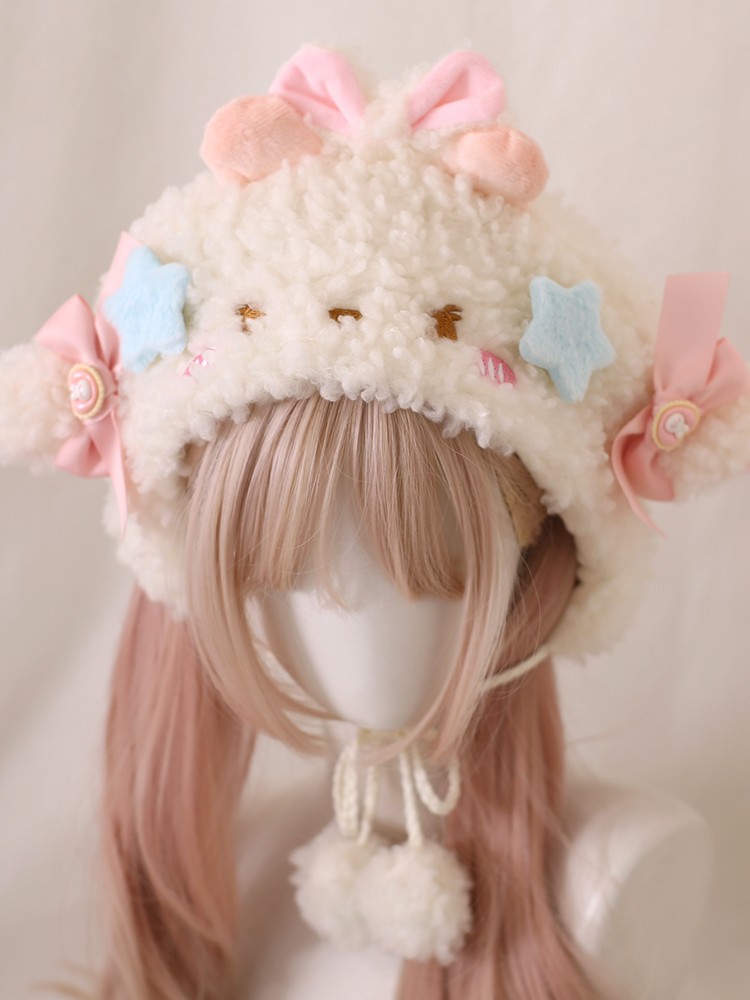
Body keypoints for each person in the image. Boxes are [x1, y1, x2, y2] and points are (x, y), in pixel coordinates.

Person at [1, 45, 747, 1000]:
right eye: (278, 566)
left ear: (545, 560)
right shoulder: (248, 862)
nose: (350, 616)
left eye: (435, 562)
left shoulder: (616, 874)